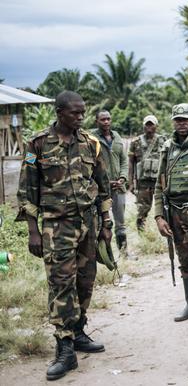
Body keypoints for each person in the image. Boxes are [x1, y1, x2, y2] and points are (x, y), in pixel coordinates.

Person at [17, 91, 112, 380]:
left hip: (87, 224)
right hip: (55, 227)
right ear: (59, 112)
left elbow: (103, 185)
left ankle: (79, 330)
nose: (81, 118)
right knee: (61, 284)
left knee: (86, 280)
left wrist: (106, 223)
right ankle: (65, 348)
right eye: (75, 113)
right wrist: (33, 231)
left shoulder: (91, 144)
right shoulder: (36, 145)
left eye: (83, 113)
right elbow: (26, 190)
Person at [153, 103, 188, 322]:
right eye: (177, 119)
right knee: (186, 260)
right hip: (176, 212)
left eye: (186, 119)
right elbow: (160, 184)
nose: (181, 123)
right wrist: (159, 216)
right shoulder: (167, 147)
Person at [92, 110, 130, 258]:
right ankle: (107, 256)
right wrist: (106, 182)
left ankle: (124, 253)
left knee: (121, 222)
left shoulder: (117, 137)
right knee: (103, 223)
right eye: (103, 119)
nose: (106, 122)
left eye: (108, 119)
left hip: (118, 187)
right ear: (97, 121)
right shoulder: (91, 138)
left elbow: (124, 160)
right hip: (101, 189)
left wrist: (122, 178)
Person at [128, 115, 166, 232]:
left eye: (152, 124)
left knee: (165, 208)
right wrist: (130, 182)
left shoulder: (163, 140)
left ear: (156, 126)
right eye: (147, 124)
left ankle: (166, 231)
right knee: (142, 209)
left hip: (159, 182)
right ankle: (141, 233)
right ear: (143, 126)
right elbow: (130, 163)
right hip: (143, 182)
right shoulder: (136, 142)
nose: (149, 127)